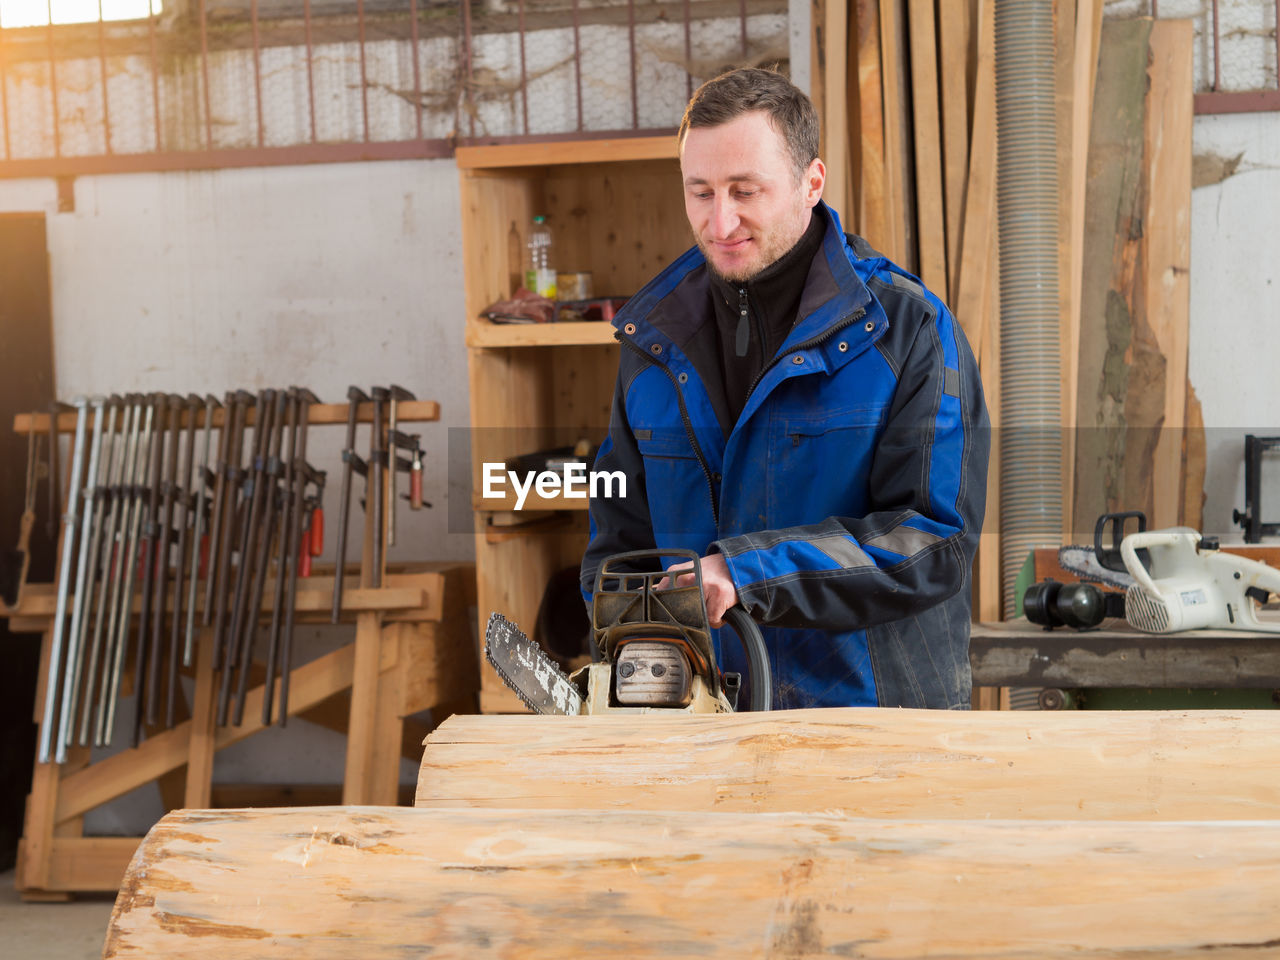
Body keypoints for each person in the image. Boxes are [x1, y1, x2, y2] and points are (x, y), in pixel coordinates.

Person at [580, 67, 989, 710]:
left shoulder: (907, 329)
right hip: (700, 728)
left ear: (811, 182)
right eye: (701, 192)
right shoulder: (653, 342)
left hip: (871, 731)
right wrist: (639, 651)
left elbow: (932, 540)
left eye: (746, 190)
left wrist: (746, 574)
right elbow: (621, 540)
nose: (721, 222)